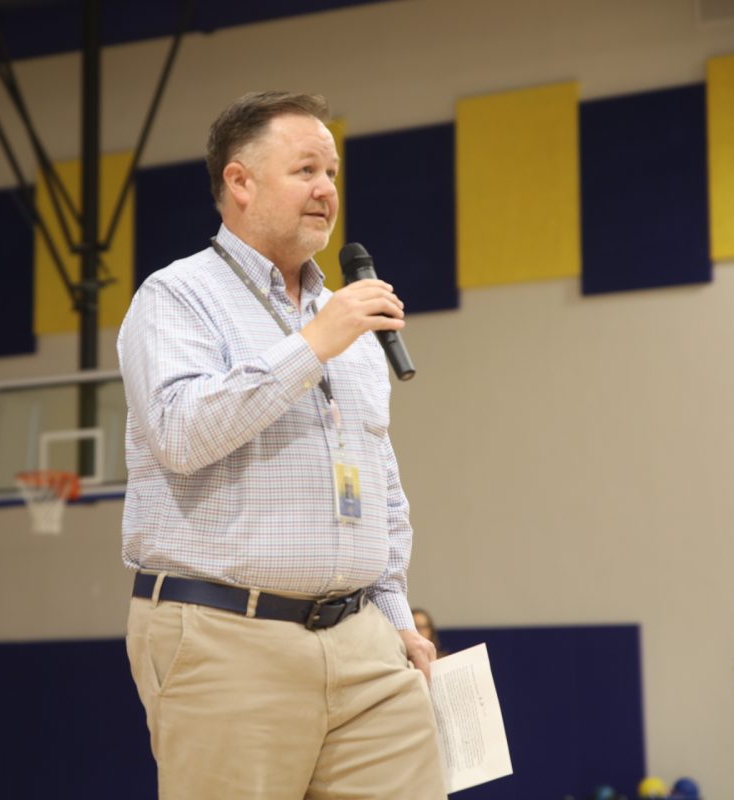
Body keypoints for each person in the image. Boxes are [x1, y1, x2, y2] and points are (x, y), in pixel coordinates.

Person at [118, 91, 446, 799]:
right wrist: (312, 346)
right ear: (240, 182)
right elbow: (179, 432)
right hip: (226, 634)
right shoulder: (175, 297)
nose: (327, 190)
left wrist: (395, 617)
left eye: (331, 173)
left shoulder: (344, 317)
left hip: (364, 641)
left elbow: (377, 478)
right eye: (305, 170)